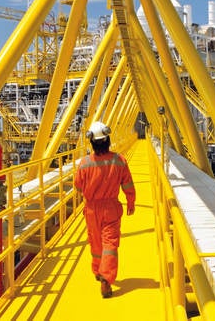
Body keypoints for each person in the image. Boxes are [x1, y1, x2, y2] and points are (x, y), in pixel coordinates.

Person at [74, 121, 136, 298]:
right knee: (110, 244)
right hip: (111, 208)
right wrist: (131, 202)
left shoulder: (84, 163)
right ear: (108, 139)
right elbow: (128, 184)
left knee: (95, 243)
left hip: (92, 209)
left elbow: (78, 187)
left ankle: (97, 271)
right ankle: (106, 279)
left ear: (92, 143)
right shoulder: (119, 160)